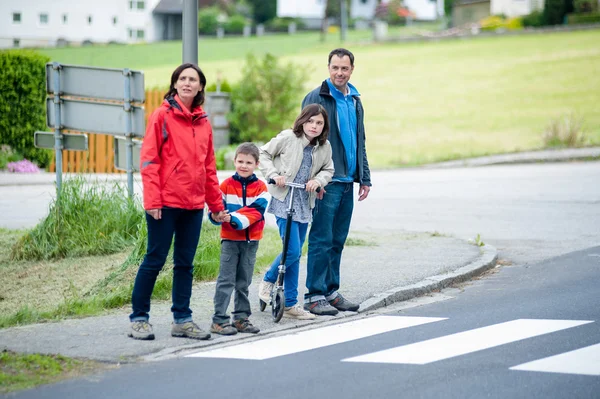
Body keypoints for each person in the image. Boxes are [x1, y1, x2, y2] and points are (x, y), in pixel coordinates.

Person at [128, 63, 227, 340]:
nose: (186, 83)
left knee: (185, 263)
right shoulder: (161, 116)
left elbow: (209, 168)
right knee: (155, 259)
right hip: (165, 203)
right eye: (182, 78)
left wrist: (216, 206)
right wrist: (153, 200)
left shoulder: (204, 122)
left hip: (193, 206)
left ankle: (182, 320)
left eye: (192, 79)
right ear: (174, 84)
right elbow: (149, 160)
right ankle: (139, 318)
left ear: (199, 87)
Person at [301, 48, 372, 316]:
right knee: (321, 237)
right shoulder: (317, 97)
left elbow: (360, 140)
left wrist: (364, 176)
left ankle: (331, 292)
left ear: (352, 69)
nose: (339, 73)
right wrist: (312, 179)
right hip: (325, 181)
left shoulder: (355, 100)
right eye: (335, 68)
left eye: (344, 68)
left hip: (348, 180)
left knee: (338, 239)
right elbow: (304, 140)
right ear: (328, 68)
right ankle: (314, 294)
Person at [258, 104, 334, 320]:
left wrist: (318, 181)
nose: (314, 126)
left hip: (304, 200)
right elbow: (263, 153)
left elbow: (328, 169)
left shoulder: (324, 146)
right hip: (285, 198)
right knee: (291, 252)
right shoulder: (288, 137)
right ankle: (269, 279)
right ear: (303, 120)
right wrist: (274, 174)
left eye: (319, 123)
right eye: (311, 121)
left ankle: (290, 303)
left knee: (296, 253)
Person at [208, 143, 269, 335]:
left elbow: (256, 212)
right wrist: (217, 216)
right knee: (226, 280)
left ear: (257, 164)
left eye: (248, 162)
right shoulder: (225, 186)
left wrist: (232, 217)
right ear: (234, 161)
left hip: (251, 242)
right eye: (240, 161)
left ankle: (241, 318)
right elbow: (215, 208)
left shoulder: (261, 188)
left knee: (244, 281)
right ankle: (219, 320)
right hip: (230, 241)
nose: (244, 165)